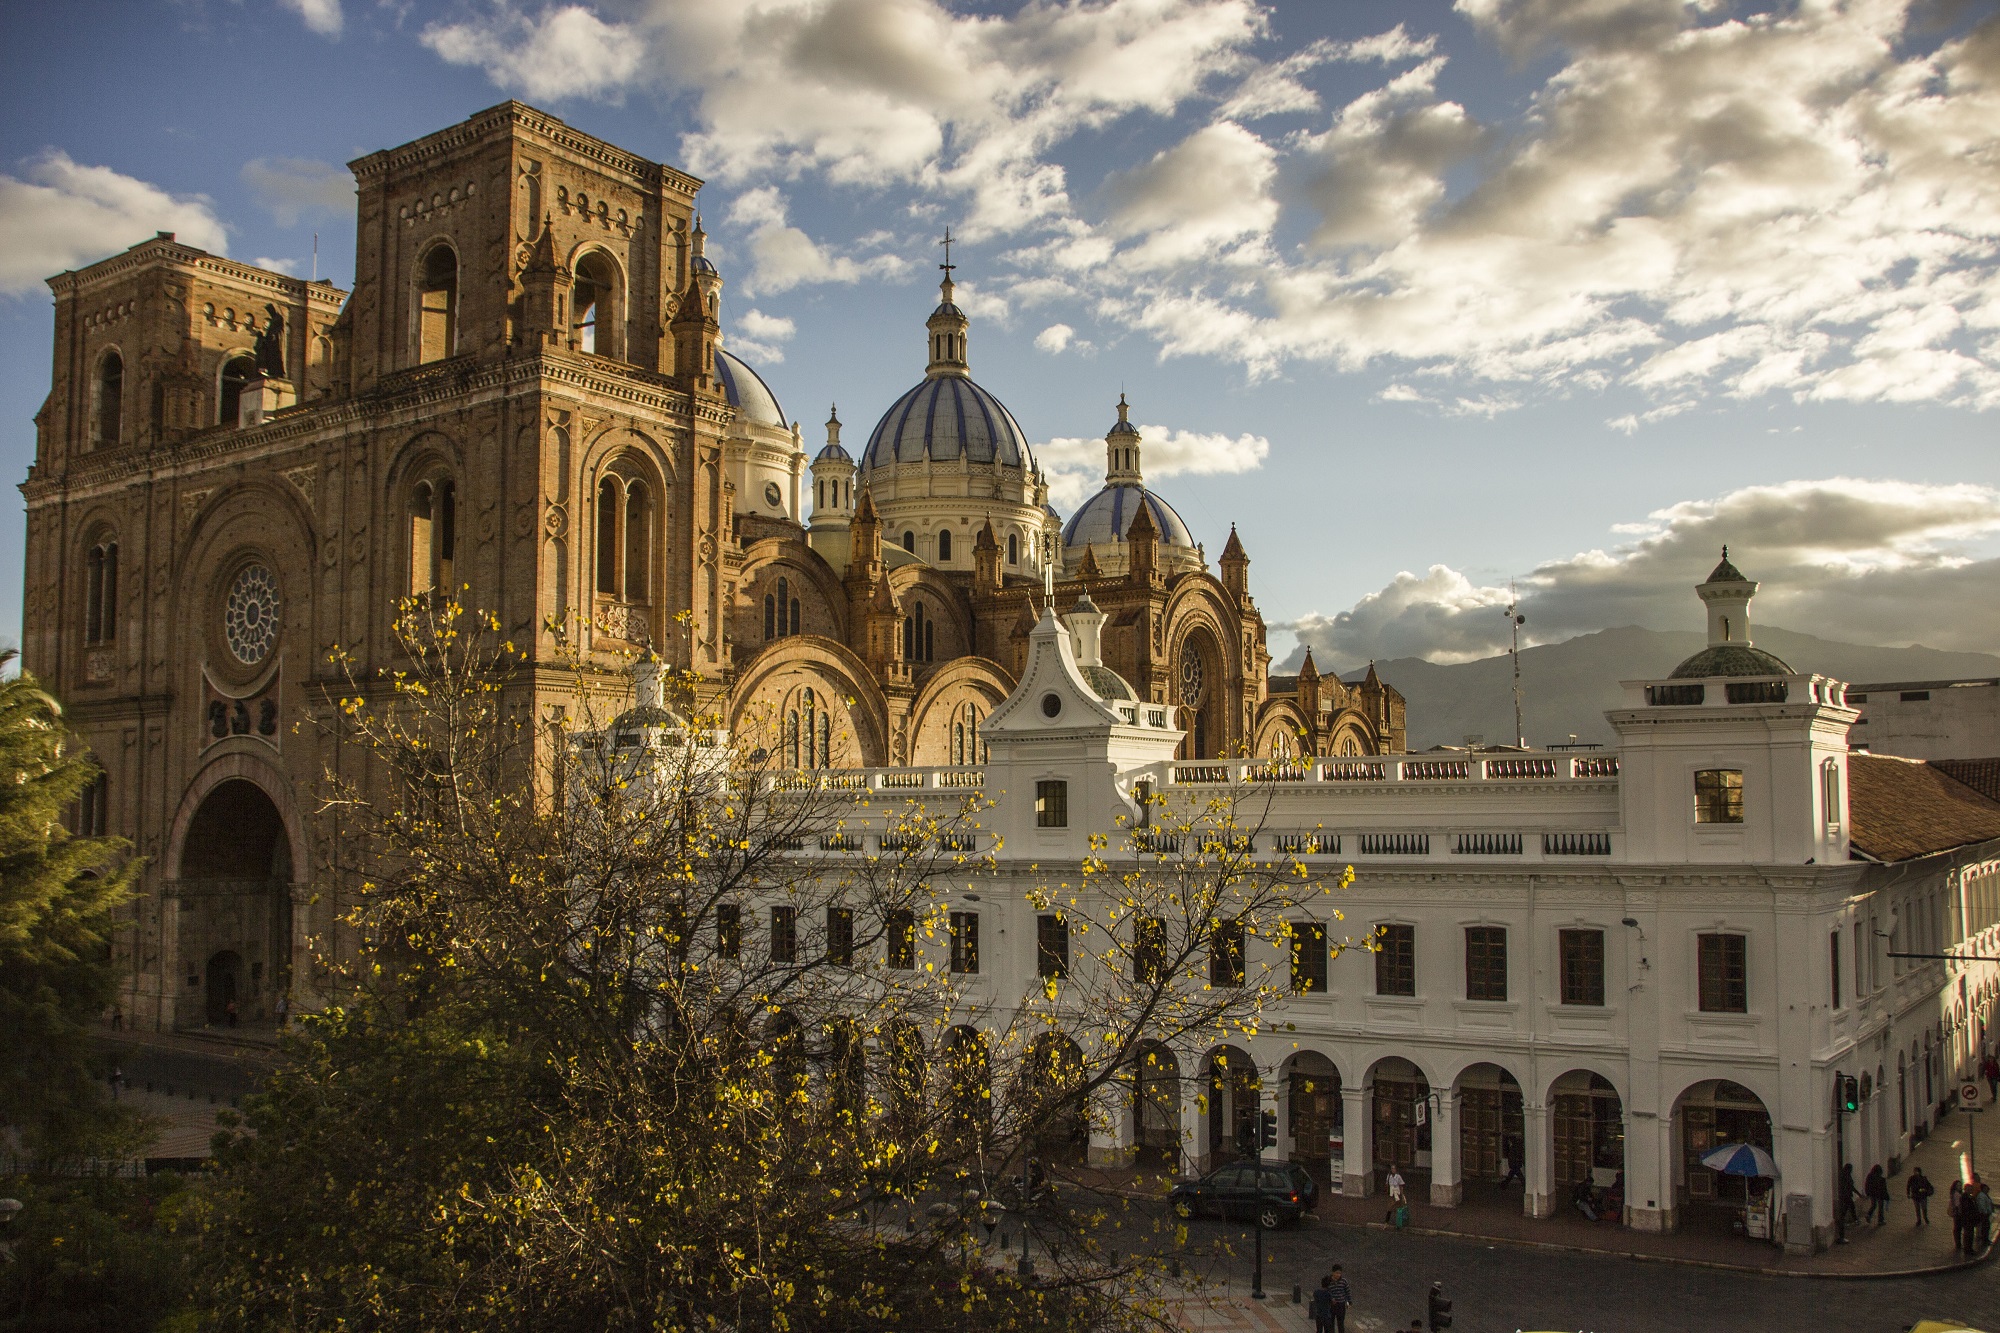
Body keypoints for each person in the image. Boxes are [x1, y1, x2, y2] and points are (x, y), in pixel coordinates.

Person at [1326, 1265, 1351, 1333]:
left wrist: (1349, 1301)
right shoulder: (1328, 1281)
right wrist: (1331, 1298)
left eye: (1340, 1273)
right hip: (1332, 1305)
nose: (1338, 1275)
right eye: (1337, 1273)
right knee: (1331, 1323)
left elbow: (1347, 1291)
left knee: (1341, 1323)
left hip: (1341, 1305)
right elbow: (1326, 1292)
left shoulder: (1343, 1281)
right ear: (1333, 1272)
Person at [1839, 1163, 1861, 1227]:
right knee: (1850, 1207)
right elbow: (1850, 1186)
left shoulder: (1847, 1175)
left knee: (1847, 1208)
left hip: (1846, 1194)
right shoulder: (1846, 1176)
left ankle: (1849, 1220)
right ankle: (1853, 1220)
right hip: (1846, 1195)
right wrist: (1858, 1193)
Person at [1949, 1179, 1967, 1252]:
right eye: (1958, 1186)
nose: (1960, 1187)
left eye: (1960, 1185)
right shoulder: (1957, 1195)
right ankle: (1958, 1244)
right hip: (1958, 1214)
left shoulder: (1955, 1194)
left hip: (1956, 1214)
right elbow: (1958, 1205)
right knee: (1958, 1228)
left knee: (1957, 1228)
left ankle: (1958, 1243)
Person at [1976, 1181, 1994, 1251]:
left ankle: (1986, 1239)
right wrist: (1985, 1212)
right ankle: (1985, 1240)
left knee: (1987, 1227)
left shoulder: (1985, 1195)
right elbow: (1982, 1205)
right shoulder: (1981, 1196)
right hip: (1984, 1215)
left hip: (1986, 1214)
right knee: (1985, 1227)